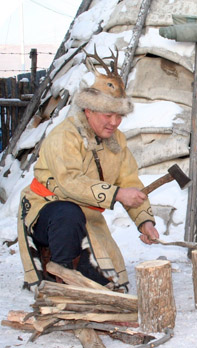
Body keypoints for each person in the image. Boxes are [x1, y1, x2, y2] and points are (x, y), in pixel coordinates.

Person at [17, 54, 159, 291]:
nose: (114, 122)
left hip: (84, 215)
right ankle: (61, 277)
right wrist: (116, 194)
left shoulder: (117, 141)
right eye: (108, 114)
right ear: (89, 111)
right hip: (47, 210)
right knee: (68, 214)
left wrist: (144, 221)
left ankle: (81, 272)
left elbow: (129, 181)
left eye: (119, 116)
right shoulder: (65, 136)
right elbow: (69, 182)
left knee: (111, 283)